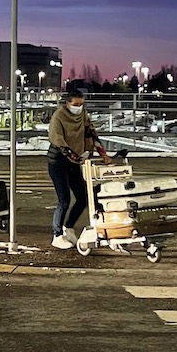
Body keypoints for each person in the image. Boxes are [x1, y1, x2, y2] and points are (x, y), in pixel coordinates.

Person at [48, 86, 111, 248]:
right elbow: (58, 139)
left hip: (74, 163)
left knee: (83, 198)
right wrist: (74, 155)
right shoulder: (59, 116)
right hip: (58, 162)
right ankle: (57, 235)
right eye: (76, 104)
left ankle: (68, 228)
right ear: (67, 103)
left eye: (81, 104)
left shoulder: (83, 115)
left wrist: (102, 153)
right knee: (64, 200)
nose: (79, 107)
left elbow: (91, 133)